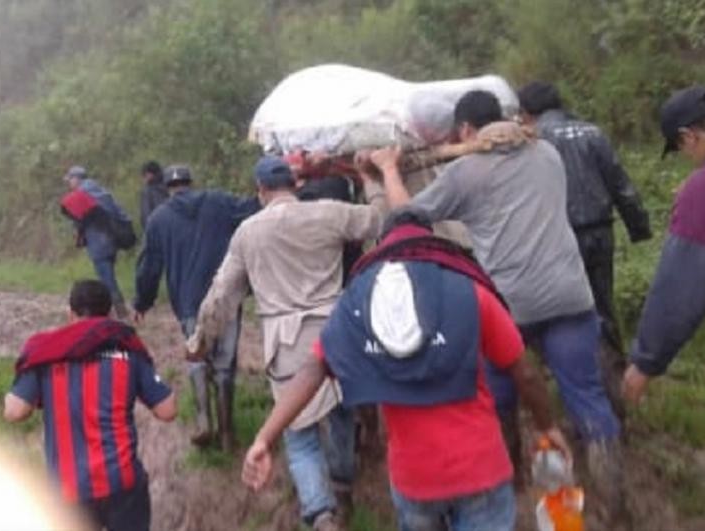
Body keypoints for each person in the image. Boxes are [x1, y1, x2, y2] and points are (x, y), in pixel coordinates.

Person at [242, 214, 572, 531]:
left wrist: (264, 438)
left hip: (414, 479)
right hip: (481, 469)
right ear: (431, 241)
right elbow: (525, 373)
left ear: (384, 245)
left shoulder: (360, 302)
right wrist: (548, 427)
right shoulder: (469, 291)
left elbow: (313, 369)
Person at [390, 90, 625, 525]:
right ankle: (614, 505)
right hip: (570, 295)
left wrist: (386, 170)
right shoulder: (548, 154)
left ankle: (511, 485)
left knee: (499, 393)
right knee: (588, 397)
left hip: (510, 305)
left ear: (464, 130)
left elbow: (406, 218)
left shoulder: (465, 173)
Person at [185, 155, 399, 530]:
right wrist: (373, 179)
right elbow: (380, 217)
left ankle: (319, 512)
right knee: (341, 416)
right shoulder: (328, 213)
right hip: (337, 335)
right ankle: (343, 488)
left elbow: (222, 296)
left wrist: (201, 340)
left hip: (286, 345)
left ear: (261, 190)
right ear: (295, 185)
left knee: (299, 435)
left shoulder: (248, 232)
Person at [519, 81, 652, 416]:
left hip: (559, 240)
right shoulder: (593, 133)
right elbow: (620, 184)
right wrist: (638, 227)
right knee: (605, 309)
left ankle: (581, 394)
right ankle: (618, 394)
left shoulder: (534, 141)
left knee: (571, 318)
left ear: (527, 113)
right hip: (601, 234)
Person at [4, 279, 177, 531]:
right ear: (108, 314)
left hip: (69, 490)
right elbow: (167, 410)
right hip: (122, 484)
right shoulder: (127, 349)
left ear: (70, 314)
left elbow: (14, 412)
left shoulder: (45, 353)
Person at [134, 164, 259, 451]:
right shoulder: (218, 202)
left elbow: (149, 268)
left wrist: (143, 301)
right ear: (191, 182)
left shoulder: (158, 219)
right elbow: (254, 207)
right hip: (225, 294)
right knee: (226, 365)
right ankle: (228, 434)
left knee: (197, 358)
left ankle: (204, 421)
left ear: (167, 188)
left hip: (188, 300)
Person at [623, 85, 705, 403]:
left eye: (681, 148)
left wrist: (646, 361)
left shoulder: (702, 189)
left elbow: (680, 287)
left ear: (689, 137)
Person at [64, 166, 134, 319]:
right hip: (112, 239)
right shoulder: (101, 191)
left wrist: (78, 234)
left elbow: (80, 218)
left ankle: (120, 311)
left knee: (106, 278)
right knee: (108, 275)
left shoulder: (81, 195)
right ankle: (117, 309)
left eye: (70, 179)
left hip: (98, 241)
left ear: (77, 178)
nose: (69, 183)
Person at [139, 160, 169, 230]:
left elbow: (145, 216)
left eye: (144, 175)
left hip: (157, 232)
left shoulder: (147, 191)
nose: (143, 179)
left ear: (149, 174)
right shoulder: (170, 186)